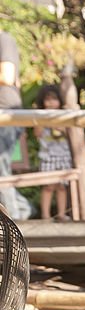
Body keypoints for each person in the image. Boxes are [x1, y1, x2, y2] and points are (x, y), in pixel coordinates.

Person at [33, 84, 73, 222]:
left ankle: (61, 214)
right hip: (47, 155)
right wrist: (44, 122)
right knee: (48, 186)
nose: (50, 102)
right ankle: (45, 215)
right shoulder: (39, 116)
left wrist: (57, 126)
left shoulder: (65, 115)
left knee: (62, 186)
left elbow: (70, 133)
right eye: (47, 99)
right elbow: (37, 133)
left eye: (54, 99)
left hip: (63, 155)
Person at [0, 30, 24, 221]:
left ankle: (15, 220)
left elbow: (7, 76)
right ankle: (23, 211)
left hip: (5, 112)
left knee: (1, 169)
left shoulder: (4, 39)